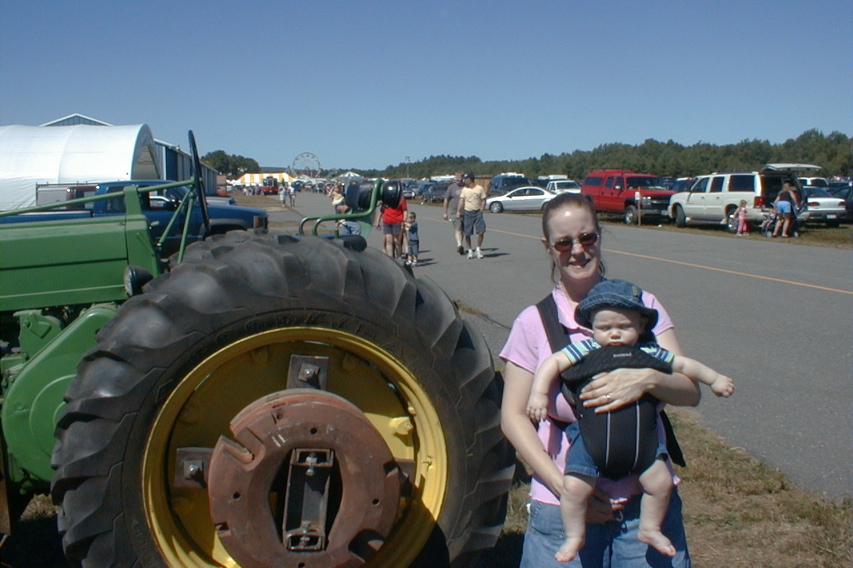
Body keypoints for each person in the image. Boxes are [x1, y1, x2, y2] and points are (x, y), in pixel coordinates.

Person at [500, 192, 701, 568]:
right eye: (564, 242)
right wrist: (565, 489)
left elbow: (690, 392)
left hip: (645, 509)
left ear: (599, 235)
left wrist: (645, 380)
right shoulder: (534, 321)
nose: (577, 250)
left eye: (587, 237)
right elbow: (512, 417)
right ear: (548, 247)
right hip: (562, 511)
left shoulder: (644, 308)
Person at [527, 279, 734, 562]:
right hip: (591, 444)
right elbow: (551, 363)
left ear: (639, 326)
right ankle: (575, 536)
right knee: (574, 489)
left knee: (660, 484)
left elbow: (685, 366)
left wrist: (715, 379)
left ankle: (649, 528)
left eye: (623, 327)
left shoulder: (649, 352)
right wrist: (538, 394)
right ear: (591, 327)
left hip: (643, 447)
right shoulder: (584, 349)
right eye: (605, 328)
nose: (614, 334)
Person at [455, 173, 487, 259]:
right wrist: (458, 211)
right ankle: (470, 250)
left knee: (481, 231)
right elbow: (461, 200)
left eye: (466, 179)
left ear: (470, 179)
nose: (464, 180)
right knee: (467, 233)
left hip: (477, 212)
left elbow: (483, 200)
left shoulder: (479, 188)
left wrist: (481, 210)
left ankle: (478, 249)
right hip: (468, 212)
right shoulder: (465, 189)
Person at [443, 171, 465, 255]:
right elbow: (446, 200)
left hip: (466, 211)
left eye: (460, 177)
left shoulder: (466, 187)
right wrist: (445, 212)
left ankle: (460, 244)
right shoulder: (451, 187)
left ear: (463, 178)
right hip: (454, 212)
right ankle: (459, 245)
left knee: (463, 230)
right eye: (457, 177)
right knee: (458, 228)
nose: (458, 179)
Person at [381, 193, 407, 258]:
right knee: (389, 241)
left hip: (397, 221)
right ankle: (390, 258)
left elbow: (405, 210)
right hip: (387, 221)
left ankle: (399, 256)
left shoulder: (401, 198)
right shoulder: (385, 197)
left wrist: (404, 221)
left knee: (397, 241)